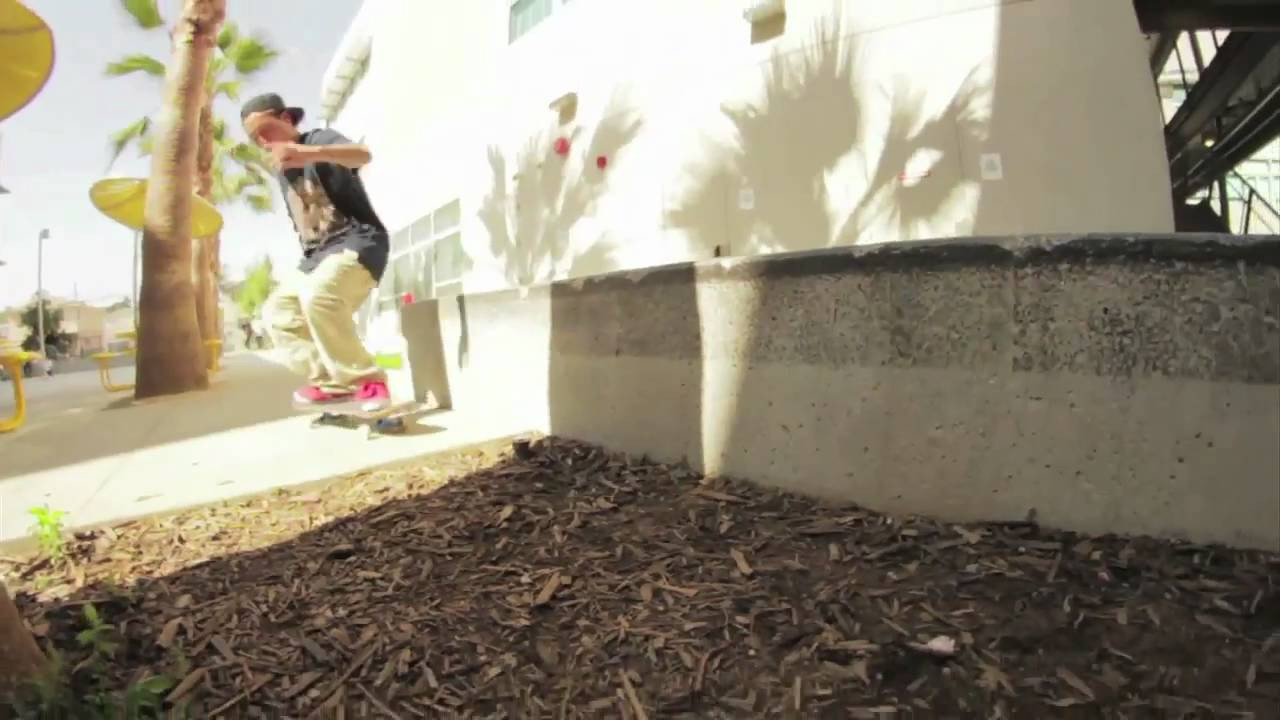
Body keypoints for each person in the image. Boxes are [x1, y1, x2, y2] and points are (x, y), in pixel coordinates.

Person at [240, 93, 390, 409]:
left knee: (319, 296)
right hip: (316, 255)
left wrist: (309, 153)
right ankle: (332, 381)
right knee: (276, 314)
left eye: (267, 130)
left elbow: (362, 155)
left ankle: (367, 380)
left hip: (358, 241)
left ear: (286, 119)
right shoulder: (283, 172)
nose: (264, 142)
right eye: (256, 139)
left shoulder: (318, 139)